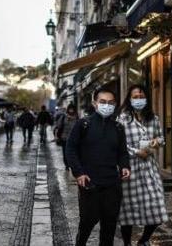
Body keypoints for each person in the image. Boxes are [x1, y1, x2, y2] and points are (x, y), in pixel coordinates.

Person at [65, 88, 131, 246]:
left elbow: (123, 152)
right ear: (95, 104)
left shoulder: (118, 128)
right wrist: (79, 173)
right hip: (89, 183)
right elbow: (70, 148)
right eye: (103, 102)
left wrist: (124, 166)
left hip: (112, 185)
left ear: (114, 105)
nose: (106, 105)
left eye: (110, 102)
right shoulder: (83, 124)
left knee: (109, 227)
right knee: (87, 223)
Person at [117, 85, 168, 246]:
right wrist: (135, 152)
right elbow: (117, 143)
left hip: (150, 169)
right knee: (128, 211)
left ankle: (143, 240)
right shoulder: (122, 118)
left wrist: (155, 142)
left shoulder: (153, 118)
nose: (138, 100)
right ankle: (127, 243)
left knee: (157, 207)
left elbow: (161, 138)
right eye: (135, 97)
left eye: (141, 96)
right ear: (129, 99)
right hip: (129, 170)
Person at [56, 104, 78, 170]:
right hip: (64, 138)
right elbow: (59, 125)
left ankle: (72, 164)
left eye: (72, 109)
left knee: (73, 153)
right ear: (68, 109)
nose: (71, 110)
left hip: (74, 139)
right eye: (70, 109)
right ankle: (67, 165)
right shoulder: (63, 117)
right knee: (65, 153)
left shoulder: (76, 117)